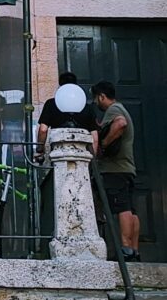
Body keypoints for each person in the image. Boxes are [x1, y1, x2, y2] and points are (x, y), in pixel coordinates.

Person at [91, 80, 141, 263]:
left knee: (122, 208)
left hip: (115, 169)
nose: (96, 102)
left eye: (96, 98)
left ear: (102, 96)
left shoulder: (114, 110)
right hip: (127, 168)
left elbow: (120, 124)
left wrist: (103, 144)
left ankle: (126, 249)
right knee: (130, 210)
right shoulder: (122, 108)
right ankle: (134, 250)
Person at [36, 73, 98, 158]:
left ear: (60, 86)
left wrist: (40, 149)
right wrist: (93, 159)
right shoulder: (86, 106)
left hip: (59, 152)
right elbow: (95, 138)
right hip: (83, 155)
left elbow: (43, 130)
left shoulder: (51, 104)